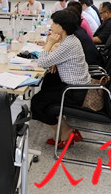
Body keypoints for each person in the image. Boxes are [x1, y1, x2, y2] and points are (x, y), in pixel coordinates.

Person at [30, 11, 91, 148]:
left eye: (54, 23)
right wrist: (54, 60)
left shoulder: (68, 44)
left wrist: (50, 43)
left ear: (62, 27)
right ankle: (63, 132)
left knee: (36, 103)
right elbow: (53, 58)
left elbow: (42, 62)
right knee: (47, 83)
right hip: (75, 87)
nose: (51, 26)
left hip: (74, 92)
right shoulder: (70, 40)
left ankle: (65, 131)